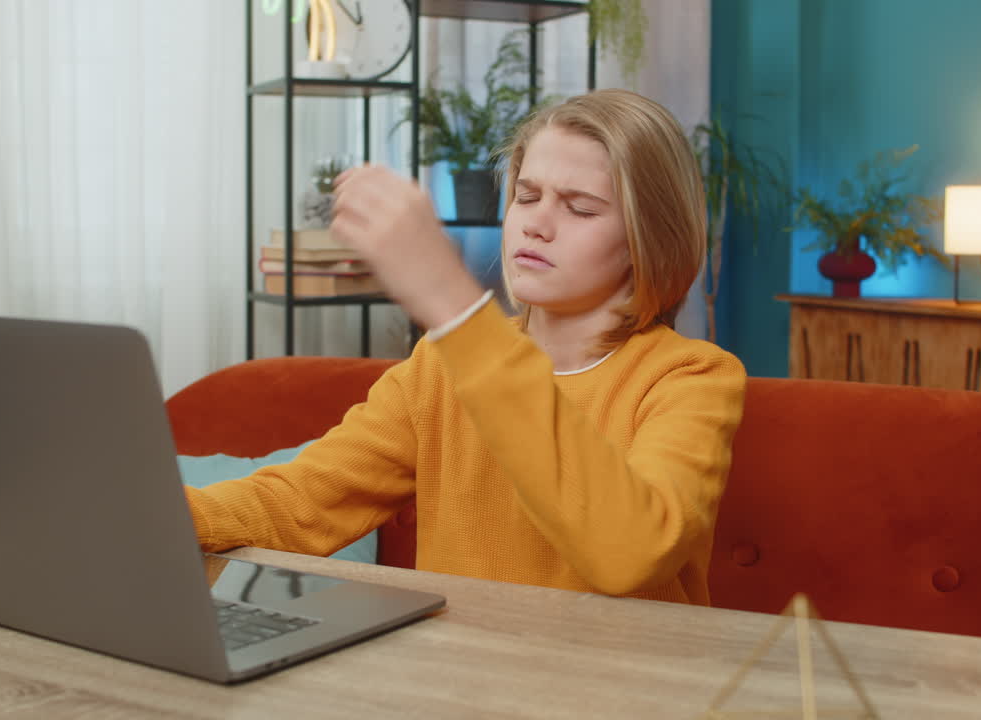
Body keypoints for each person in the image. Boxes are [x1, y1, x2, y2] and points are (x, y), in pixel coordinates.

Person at [185, 89, 746, 604]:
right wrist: (155, 514)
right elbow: (302, 501)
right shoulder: (440, 367)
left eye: (580, 208)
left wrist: (453, 303)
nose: (537, 225)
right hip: (460, 679)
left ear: (648, 238)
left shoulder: (692, 378)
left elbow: (630, 553)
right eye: (526, 197)